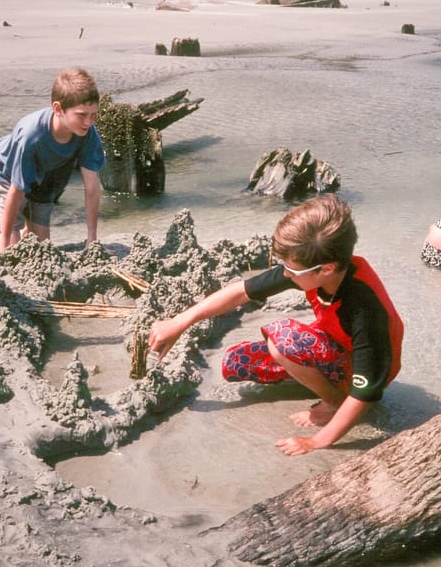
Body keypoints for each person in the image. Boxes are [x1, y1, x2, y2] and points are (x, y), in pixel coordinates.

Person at [148, 194, 404, 456]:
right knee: (236, 362)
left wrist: (316, 441)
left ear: (326, 269)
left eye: (291, 270)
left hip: (368, 370)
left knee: (282, 338)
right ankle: (327, 384)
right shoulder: (308, 268)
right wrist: (180, 322)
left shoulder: (364, 307)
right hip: (336, 346)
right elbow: (241, 292)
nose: (285, 274)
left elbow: (367, 391)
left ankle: (335, 400)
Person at [0, 67, 106, 250]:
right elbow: (16, 190)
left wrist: (92, 239)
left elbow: (92, 187)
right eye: (81, 115)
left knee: (41, 246)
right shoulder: (31, 136)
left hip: (45, 179)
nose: (88, 122)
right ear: (58, 109)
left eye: (93, 115)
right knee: (10, 249)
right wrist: (5, 246)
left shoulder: (88, 133)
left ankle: (21, 232)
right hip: (5, 174)